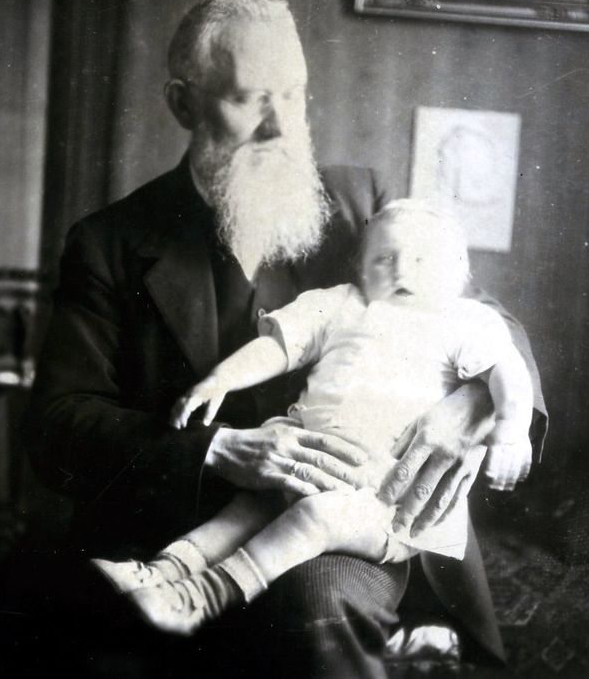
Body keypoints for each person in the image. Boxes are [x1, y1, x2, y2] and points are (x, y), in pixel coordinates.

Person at [26, 0, 547, 679]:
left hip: (354, 507)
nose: (281, 125)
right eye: (251, 99)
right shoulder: (110, 243)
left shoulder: (361, 204)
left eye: (294, 95)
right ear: (183, 104)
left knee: (316, 599)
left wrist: (472, 406)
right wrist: (217, 449)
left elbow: (487, 320)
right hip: (183, 516)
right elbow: (58, 423)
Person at [91, 200, 533, 637]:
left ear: (458, 271)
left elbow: (508, 373)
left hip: (387, 495)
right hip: (306, 462)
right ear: (361, 270)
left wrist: (512, 432)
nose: (401, 270)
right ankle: (163, 571)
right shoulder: (343, 304)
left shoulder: (465, 321)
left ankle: (200, 598)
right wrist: (221, 379)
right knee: (246, 508)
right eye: (384, 258)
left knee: (315, 518)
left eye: (421, 259)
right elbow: (280, 347)